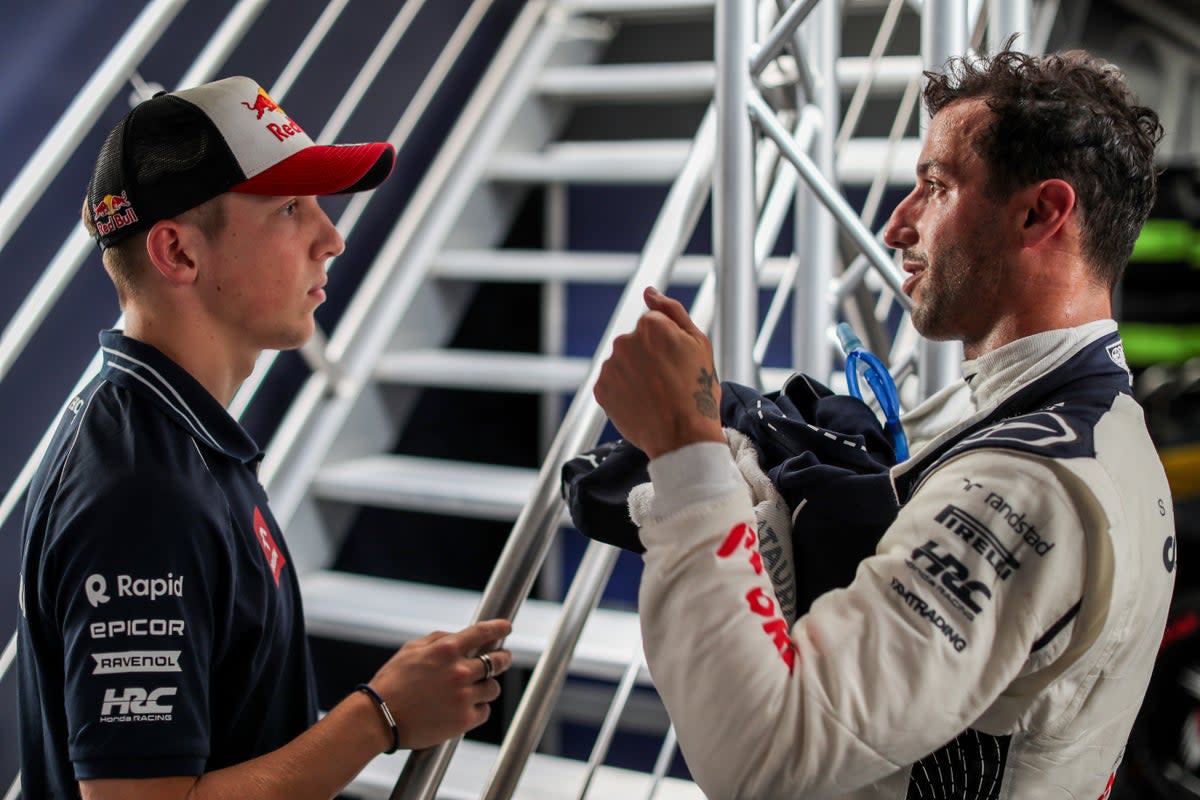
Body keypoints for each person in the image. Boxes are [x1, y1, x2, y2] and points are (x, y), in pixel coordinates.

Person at [594, 47, 1176, 798]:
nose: (898, 226)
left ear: (1040, 212)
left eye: (935, 186)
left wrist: (686, 448)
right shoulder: (1089, 422)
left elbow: (765, 760)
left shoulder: (1028, 486)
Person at [17, 76, 513, 800]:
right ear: (179, 254)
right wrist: (378, 718)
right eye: (289, 209)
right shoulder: (141, 494)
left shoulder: (175, 433)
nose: (332, 239)